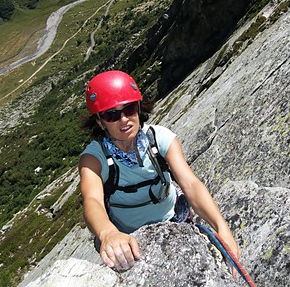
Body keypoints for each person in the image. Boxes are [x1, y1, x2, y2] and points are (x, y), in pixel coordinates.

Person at [79, 70, 240, 271]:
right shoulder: (94, 158)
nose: (124, 120)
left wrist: (221, 227)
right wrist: (107, 234)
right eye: (112, 114)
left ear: (138, 108)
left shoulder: (161, 139)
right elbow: (92, 200)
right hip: (126, 235)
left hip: (173, 219)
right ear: (100, 121)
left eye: (129, 109)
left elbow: (190, 184)